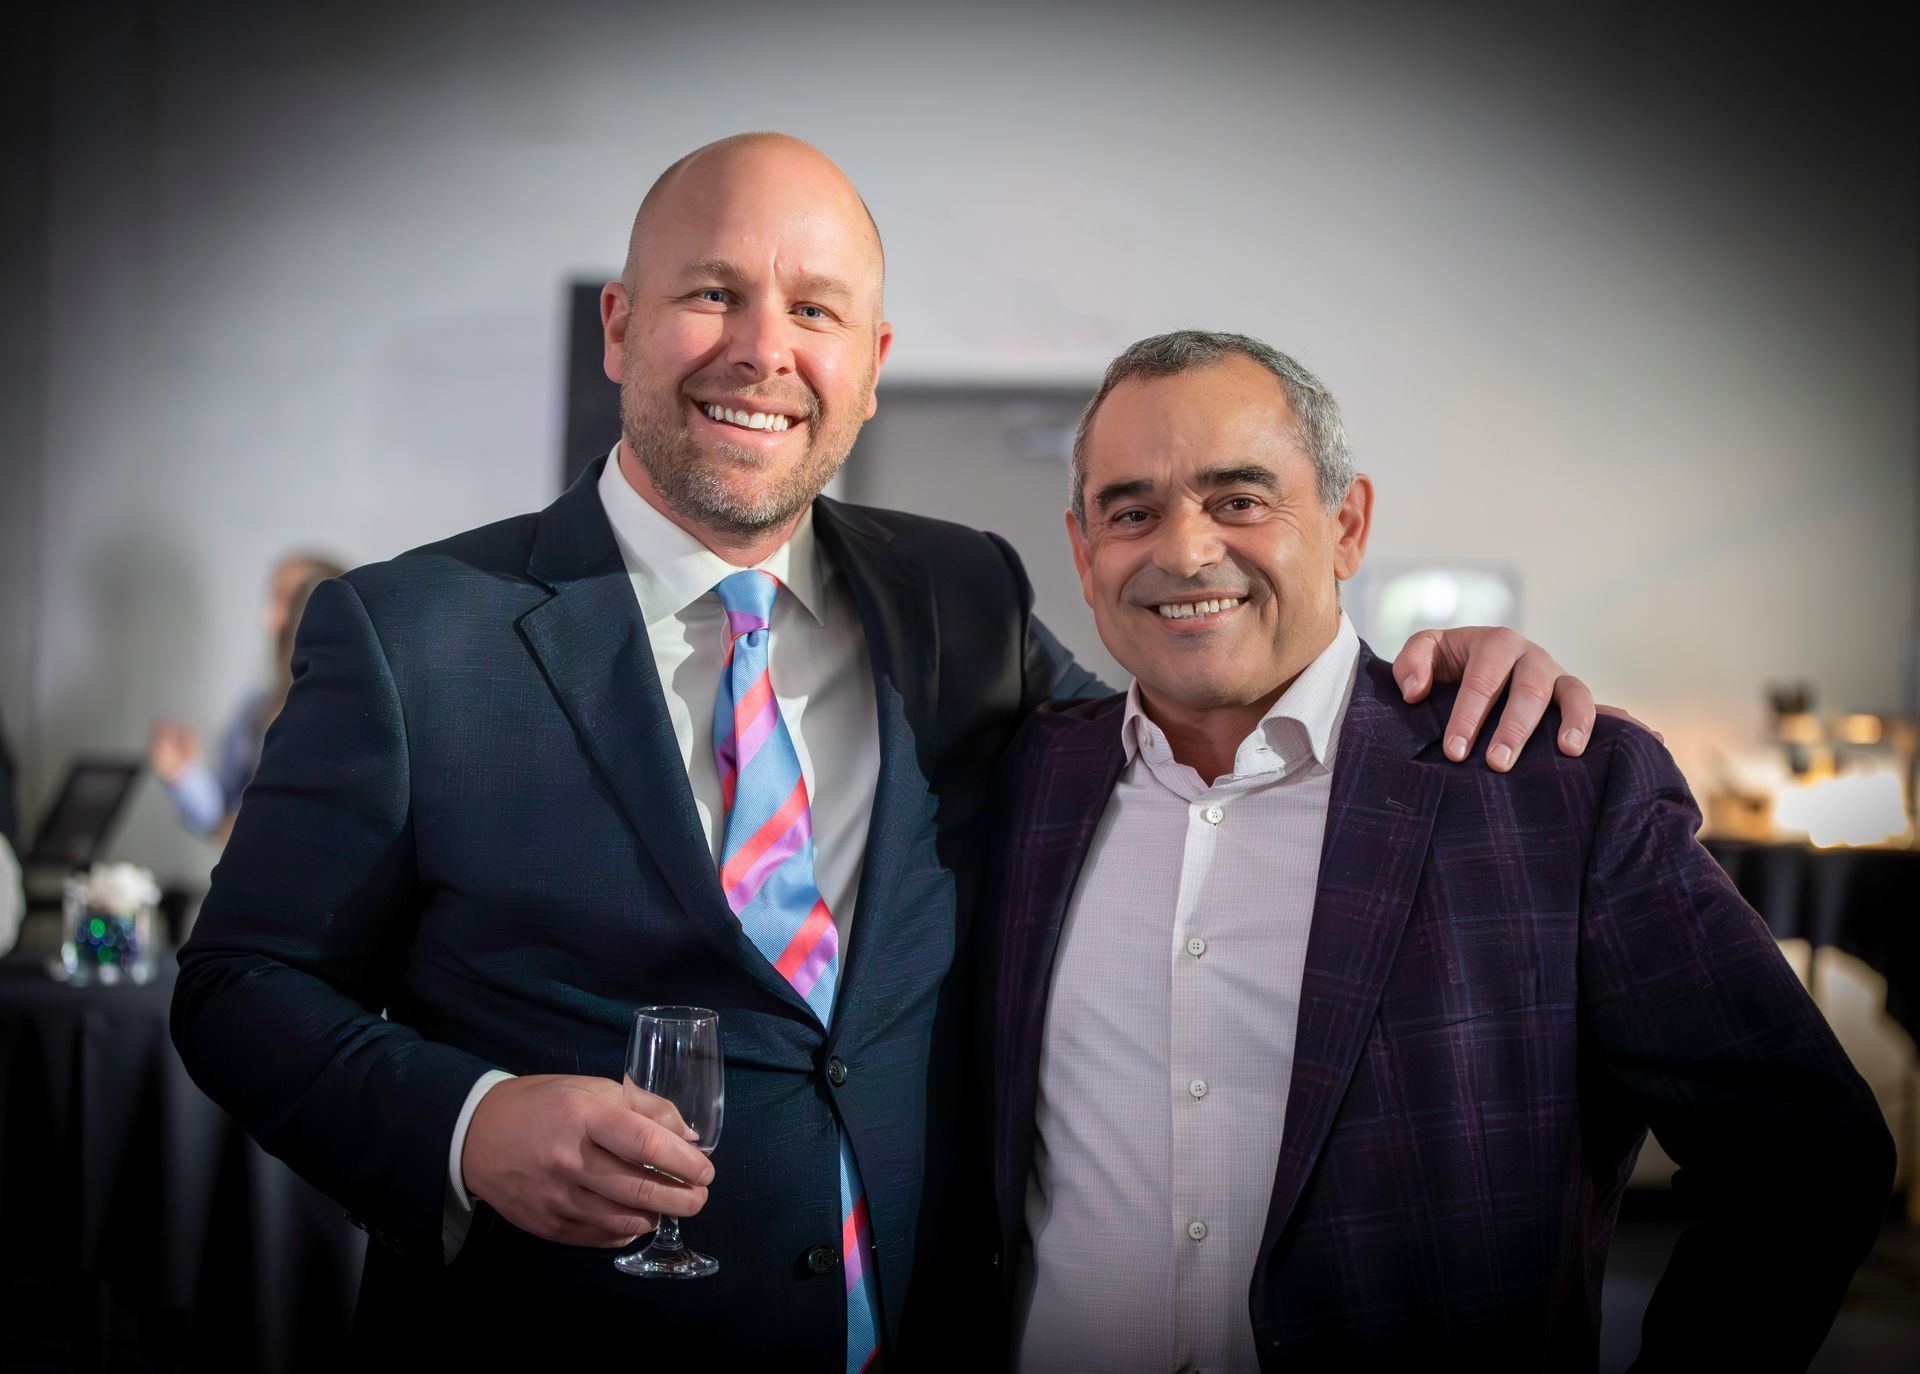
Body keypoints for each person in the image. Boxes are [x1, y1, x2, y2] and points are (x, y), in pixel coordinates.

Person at [172, 135, 1598, 1369]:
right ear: (619, 326)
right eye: (711, 293)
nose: (762, 348)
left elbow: (1170, 721)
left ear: (870, 370)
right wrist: (468, 1123)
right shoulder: (412, 632)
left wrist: (1413, 678)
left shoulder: (961, 595)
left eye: (815, 310)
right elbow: (241, 985)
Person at [986, 330, 1895, 1372]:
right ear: (1081, 549)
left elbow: (1807, 1159)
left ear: (1347, 524)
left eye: (1240, 500)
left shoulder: (1559, 787)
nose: (1184, 551)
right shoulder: (1021, 784)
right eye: (1131, 511)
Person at [149, 552, 345, 842]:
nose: (269, 619)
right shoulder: (256, 709)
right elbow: (226, 816)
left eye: (287, 600)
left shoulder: (347, 716)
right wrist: (184, 775)